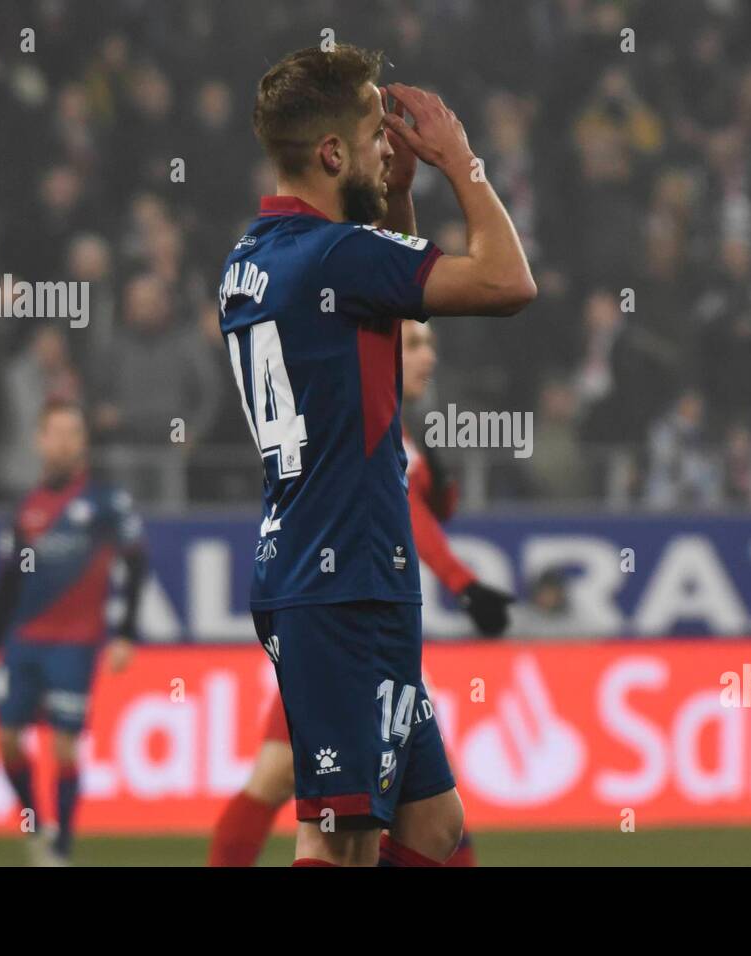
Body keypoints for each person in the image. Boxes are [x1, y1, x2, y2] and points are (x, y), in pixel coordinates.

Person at [217, 44, 534, 867]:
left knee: (431, 825)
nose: (388, 144)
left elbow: (377, 298)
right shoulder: (338, 258)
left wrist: (393, 194)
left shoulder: (253, 262)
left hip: (326, 571)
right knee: (343, 840)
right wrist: (464, 164)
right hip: (344, 582)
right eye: (372, 135)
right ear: (331, 154)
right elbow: (508, 283)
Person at [207, 320, 512, 867]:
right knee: (345, 827)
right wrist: (465, 587)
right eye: (415, 344)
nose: (428, 357)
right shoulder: (367, 426)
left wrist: (436, 475)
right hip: (346, 628)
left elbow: (430, 508)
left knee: (433, 817)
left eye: (432, 345)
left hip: (352, 628)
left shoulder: (394, 432)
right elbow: (411, 519)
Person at [0, 399, 147, 865]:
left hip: (75, 643)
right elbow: (7, 581)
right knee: (7, 738)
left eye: (73, 431)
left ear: (83, 441)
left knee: (63, 743)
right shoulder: (26, 506)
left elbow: (136, 562)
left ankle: (62, 846)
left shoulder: (105, 502)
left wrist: (126, 632)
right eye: (55, 431)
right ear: (39, 440)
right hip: (23, 640)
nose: (64, 440)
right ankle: (36, 821)